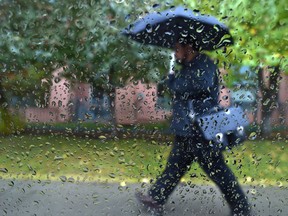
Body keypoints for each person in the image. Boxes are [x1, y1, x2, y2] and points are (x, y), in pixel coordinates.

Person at [135, 40, 251, 216]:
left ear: (188, 47)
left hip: (201, 130)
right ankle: (155, 198)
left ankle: (241, 208)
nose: (175, 53)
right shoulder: (190, 66)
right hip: (188, 129)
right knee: (175, 166)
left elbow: (198, 85)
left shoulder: (204, 64)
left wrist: (173, 80)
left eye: (176, 49)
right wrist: (175, 77)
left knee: (218, 170)